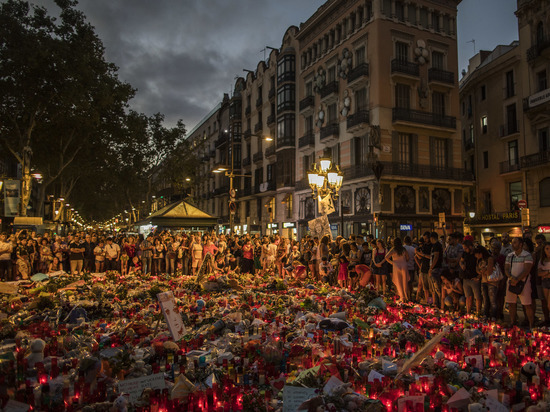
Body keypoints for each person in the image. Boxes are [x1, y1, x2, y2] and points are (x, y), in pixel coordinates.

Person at [505, 237, 534, 330]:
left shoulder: (527, 255)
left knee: (527, 304)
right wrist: (511, 278)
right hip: (511, 281)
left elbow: (527, 269)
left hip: (523, 283)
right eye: (512, 242)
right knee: (511, 303)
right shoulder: (510, 255)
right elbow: (506, 268)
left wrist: (517, 279)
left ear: (520, 244)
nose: (513, 244)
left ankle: (531, 324)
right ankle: (513, 322)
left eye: (515, 242)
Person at [475, 245, 498, 320]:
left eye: (477, 254)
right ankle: (486, 314)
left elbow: (489, 272)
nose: (476, 256)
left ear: (481, 253)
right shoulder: (480, 260)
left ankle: (494, 315)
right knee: (485, 299)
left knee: (492, 300)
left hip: (492, 282)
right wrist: (483, 270)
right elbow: (478, 270)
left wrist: (484, 270)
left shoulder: (490, 259)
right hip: (484, 281)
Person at [460, 239, 481, 315]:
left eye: (466, 248)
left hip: (474, 277)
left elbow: (481, 264)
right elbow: (461, 261)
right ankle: (468, 312)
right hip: (466, 277)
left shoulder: (476, 254)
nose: (465, 250)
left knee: (477, 297)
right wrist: (462, 265)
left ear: (470, 247)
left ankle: (478, 312)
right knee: (468, 296)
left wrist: (479, 276)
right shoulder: (465, 253)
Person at [385, 237, 410, 302]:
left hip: (396, 265)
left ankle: (402, 297)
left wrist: (392, 263)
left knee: (398, 281)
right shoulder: (403, 249)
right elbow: (408, 258)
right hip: (404, 265)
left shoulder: (393, 249)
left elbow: (386, 257)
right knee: (404, 281)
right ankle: (405, 296)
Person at [538, 241, 550, 320]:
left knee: (549, 303)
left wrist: (544, 273)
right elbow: (539, 273)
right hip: (545, 282)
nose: (549, 250)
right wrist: (548, 272)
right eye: (547, 249)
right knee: (546, 302)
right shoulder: (542, 260)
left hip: (546, 279)